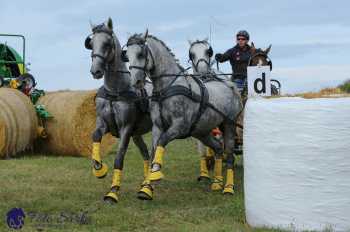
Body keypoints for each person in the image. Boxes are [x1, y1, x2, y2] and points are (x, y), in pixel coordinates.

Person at [215, 30, 252, 95]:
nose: (240, 40)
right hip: (238, 79)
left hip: (252, 79)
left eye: (243, 39)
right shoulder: (232, 51)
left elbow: (259, 59)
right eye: (238, 39)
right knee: (238, 98)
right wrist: (219, 56)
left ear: (247, 40)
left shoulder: (252, 51)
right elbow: (222, 58)